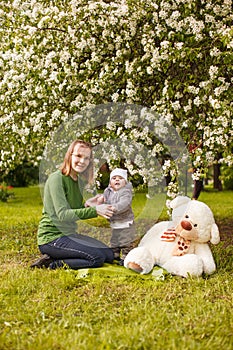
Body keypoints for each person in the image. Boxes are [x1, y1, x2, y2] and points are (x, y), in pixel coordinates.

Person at [30, 140, 115, 270]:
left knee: (108, 254)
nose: (82, 161)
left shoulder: (79, 181)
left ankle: (58, 256)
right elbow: (63, 215)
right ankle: (51, 263)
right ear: (70, 156)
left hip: (69, 234)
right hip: (52, 239)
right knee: (96, 258)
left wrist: (88, 205)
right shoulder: (56, 179)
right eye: (78, 156)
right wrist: (95, 210)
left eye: (86, 158)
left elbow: (73, 211)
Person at [85, 168, 136, 265]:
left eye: (120, 178)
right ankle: (115, 254)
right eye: (114, 178)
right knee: (114, 239)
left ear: (125, 182)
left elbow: (125, 203)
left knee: (125, 241)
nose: (117, 180)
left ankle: (126, 256)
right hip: (115, 222)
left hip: (126, 223)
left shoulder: (126, 192)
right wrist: (98, 202)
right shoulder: (108, 192)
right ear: (110, 182)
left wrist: (115, 207)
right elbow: (104, 201)